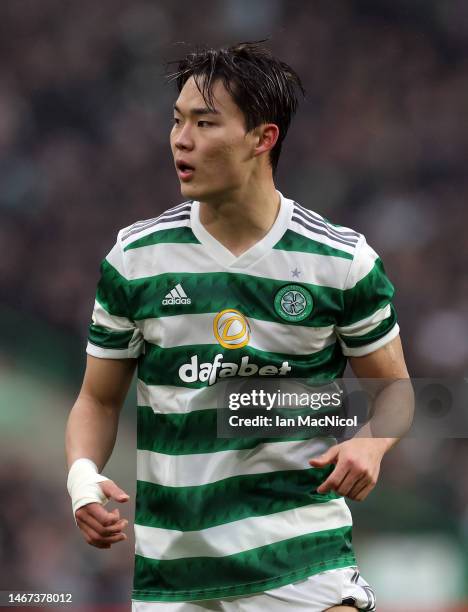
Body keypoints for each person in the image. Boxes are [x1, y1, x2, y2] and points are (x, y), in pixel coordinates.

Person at [65, 41, 410, 611]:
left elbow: (395, 390)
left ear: (262, 138)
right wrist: (81, 479)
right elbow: (97, 401)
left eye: (204, 122)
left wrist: (371, 444)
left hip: (300, 551)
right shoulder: (136, 258)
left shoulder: (341, 261)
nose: (181, 139)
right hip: (175, 570)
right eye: (177, 121)